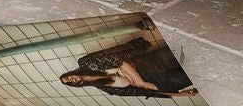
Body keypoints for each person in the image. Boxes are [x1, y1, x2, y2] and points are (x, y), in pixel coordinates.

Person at [59, 36, 199, 98]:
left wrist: (139, 82)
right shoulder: (105, 88)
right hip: (161, 83)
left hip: (152, 62)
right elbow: (143, 92)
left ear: (70, 73)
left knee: (191, 49)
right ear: (76, 85)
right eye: (70, 82)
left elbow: (121, 62)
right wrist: (181, 94)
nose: (71, 79)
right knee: (199, 73)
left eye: (68, 77)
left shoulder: (86, 63)